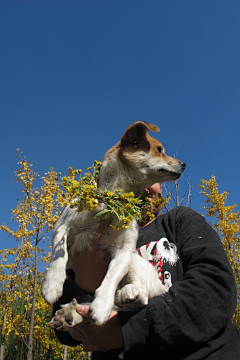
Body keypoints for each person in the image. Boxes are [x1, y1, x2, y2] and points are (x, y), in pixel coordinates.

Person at [52, 183, 240, 359]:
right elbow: (65, 331)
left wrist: (126, 329)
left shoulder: (180, 221)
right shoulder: (95, 240)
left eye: (153, 178)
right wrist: (85, 282)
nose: (145, 185)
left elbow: (215, 288)